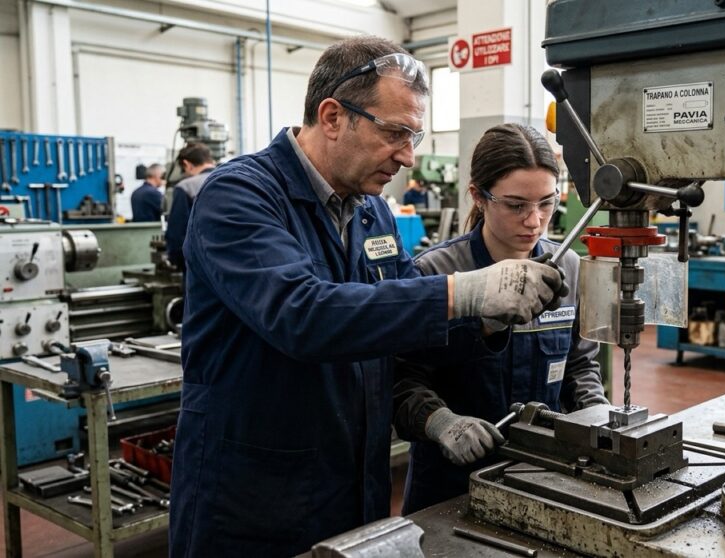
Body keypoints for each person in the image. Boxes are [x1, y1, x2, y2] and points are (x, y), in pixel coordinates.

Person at [168, 37, 567, 557]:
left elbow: (403, 335)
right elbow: (303, 315)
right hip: (253, 495)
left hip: (355, 481)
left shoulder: (371, 211)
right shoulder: (239, 196)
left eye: (414, 136)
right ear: (333, 116)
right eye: (395, 133)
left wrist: (488, 321)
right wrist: (465, 291)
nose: (408, 156)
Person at [393, 123, 609, 514]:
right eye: (516, 205)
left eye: (546, 203)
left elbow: (579, 364)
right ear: (479, 196)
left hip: (542, 472)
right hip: (451, 484)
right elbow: (401, 380)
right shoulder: (434, 273)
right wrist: (441, 422)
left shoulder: (569, 267)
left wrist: (597, 414)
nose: (534, 221)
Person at [165, 143, 216, 269]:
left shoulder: (186, 187)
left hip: (200, 264)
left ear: (187, 164)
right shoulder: (236, 180)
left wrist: (176, 259)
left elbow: (177, 232)